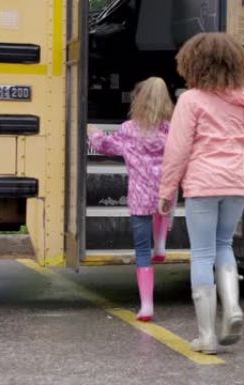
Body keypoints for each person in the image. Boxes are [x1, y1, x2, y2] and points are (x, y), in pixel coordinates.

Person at [158, 32, 244, 354]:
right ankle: (232, 307)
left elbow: (178, 149)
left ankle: (207, 336)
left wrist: (166, 189)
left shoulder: (190, 100)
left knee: (201, 254)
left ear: (193, 64)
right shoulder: (242, 99)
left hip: (203, 183)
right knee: (224, 244)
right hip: (237, 183)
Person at [88, 76, 174, 322]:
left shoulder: (128, 130)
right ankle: (161, 244)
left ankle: (146, 306)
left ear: (139, 100)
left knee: (140, 252)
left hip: (139, 197)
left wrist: (94, 133)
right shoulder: (170, 130)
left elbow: (107, 147)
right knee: (165, 204)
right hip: (164, 192)